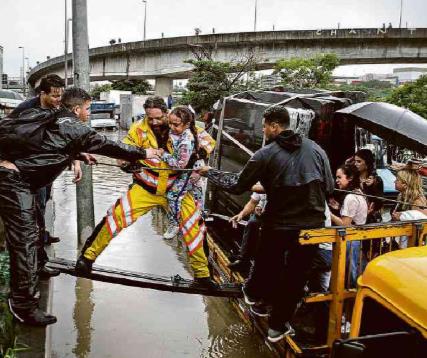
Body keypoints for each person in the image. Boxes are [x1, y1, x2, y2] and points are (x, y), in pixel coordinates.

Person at [0, 87, 160, 326]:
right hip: (14, 182)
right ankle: (23, 305)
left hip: (20, 179)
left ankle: (39, 267)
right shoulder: (74, 126)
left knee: (34, 229)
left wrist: (77, 154)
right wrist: (144, 152)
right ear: (77, 108)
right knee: (24, 239)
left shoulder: (54, 117)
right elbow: (108, 145)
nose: (88, 113)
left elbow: (49, 145)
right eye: (87, 108)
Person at [198, 105, 334, 342]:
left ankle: (253, 296)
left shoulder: (265, 154)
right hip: (312, 227)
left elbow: (237, 185)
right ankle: (277, 327)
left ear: (274, 126)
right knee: (295, 277)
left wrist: (210, 173)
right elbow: (329, 187)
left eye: (264, 126)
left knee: (267, 264)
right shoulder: (316, 149)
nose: (262, 131)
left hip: (279, 223)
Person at [76, 96, 216, 288]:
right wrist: (125, 164)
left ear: (166, 113)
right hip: (145, 188)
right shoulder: (138, 130)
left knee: (194, 228)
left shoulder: (179, 125)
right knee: (115, 217)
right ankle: (87, 259)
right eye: (150, 118)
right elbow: (122, 151)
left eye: (159, 118)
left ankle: (203, 276)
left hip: (176, 189)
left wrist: (197, 156)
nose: (155, 122)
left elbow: (209, 141)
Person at [9, 74, 82, 246]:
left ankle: (41, 240)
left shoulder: (58, 110)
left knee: (43, 203)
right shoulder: (25, 109)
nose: (58, 99)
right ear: (43, 94)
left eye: (61, 96)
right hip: (28, 168)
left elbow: (70, 137)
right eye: (55, 96)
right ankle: (37, 249)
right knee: (35, 207)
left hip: (46, 167)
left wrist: (76, 160)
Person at [161, 106, 199, 239]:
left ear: (187, 124)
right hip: (188, 170)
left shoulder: (186, 140)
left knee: (172, 196)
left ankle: (175, 224)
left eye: (176, 124)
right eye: (169, 123)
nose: (171, 127)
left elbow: (180, 164)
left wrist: (163, 155)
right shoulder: (179, 133)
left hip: (187, 172)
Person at [329, 164, 368, 287]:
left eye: (339, 177)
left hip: (351, 239)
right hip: (357, 238)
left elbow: (345, 224)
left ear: (350, 177)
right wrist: (340, 208)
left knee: (349, 273)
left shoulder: (350, 197)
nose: (337, 181)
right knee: (352, 270)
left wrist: (328, 214)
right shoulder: (359, 192)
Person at [228, 192, 266, 273]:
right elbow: (253, 202)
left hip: (283, 217)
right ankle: (243, 259)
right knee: (252, 222)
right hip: (264, 215)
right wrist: (241, 214)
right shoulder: (263, 183)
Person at [391, 167, 427, 247]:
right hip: (399, 238)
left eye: (397, 180)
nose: (394, 182)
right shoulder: (401, 196)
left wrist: (403, 217)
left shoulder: (417, 201)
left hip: (410, 244)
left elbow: (423, 222)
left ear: (405, 184)